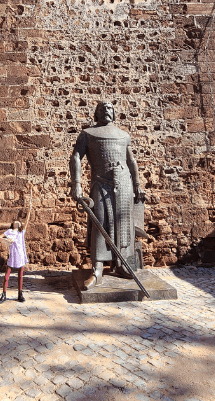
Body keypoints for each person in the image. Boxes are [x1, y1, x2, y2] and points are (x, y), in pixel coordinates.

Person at [69, 101, 145, 290]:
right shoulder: (88, 134)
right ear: (96, 114)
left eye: (109, 109)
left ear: (114, 113)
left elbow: (131, 160)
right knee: (100, 223)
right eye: (102, 109)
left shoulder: (123, 135)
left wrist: (137, 184)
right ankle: (98, 269)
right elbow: (76, 156)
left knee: (124, 225)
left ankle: (121, 265)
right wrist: (76, 184)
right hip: (101, 183)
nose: (106, 111)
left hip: (124, 183)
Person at [0, 194, 32, 303]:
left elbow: (26, 221)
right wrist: (8, 241)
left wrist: (29, 209)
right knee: (7, 276)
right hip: (13, 255)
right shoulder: (9, 232)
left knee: (20, 275)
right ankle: (4, 294)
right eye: (15, 222)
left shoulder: (21, 232)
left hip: (21, 255)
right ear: (12, 224)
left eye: (18, 222)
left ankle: (20, 293)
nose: (17, 222)